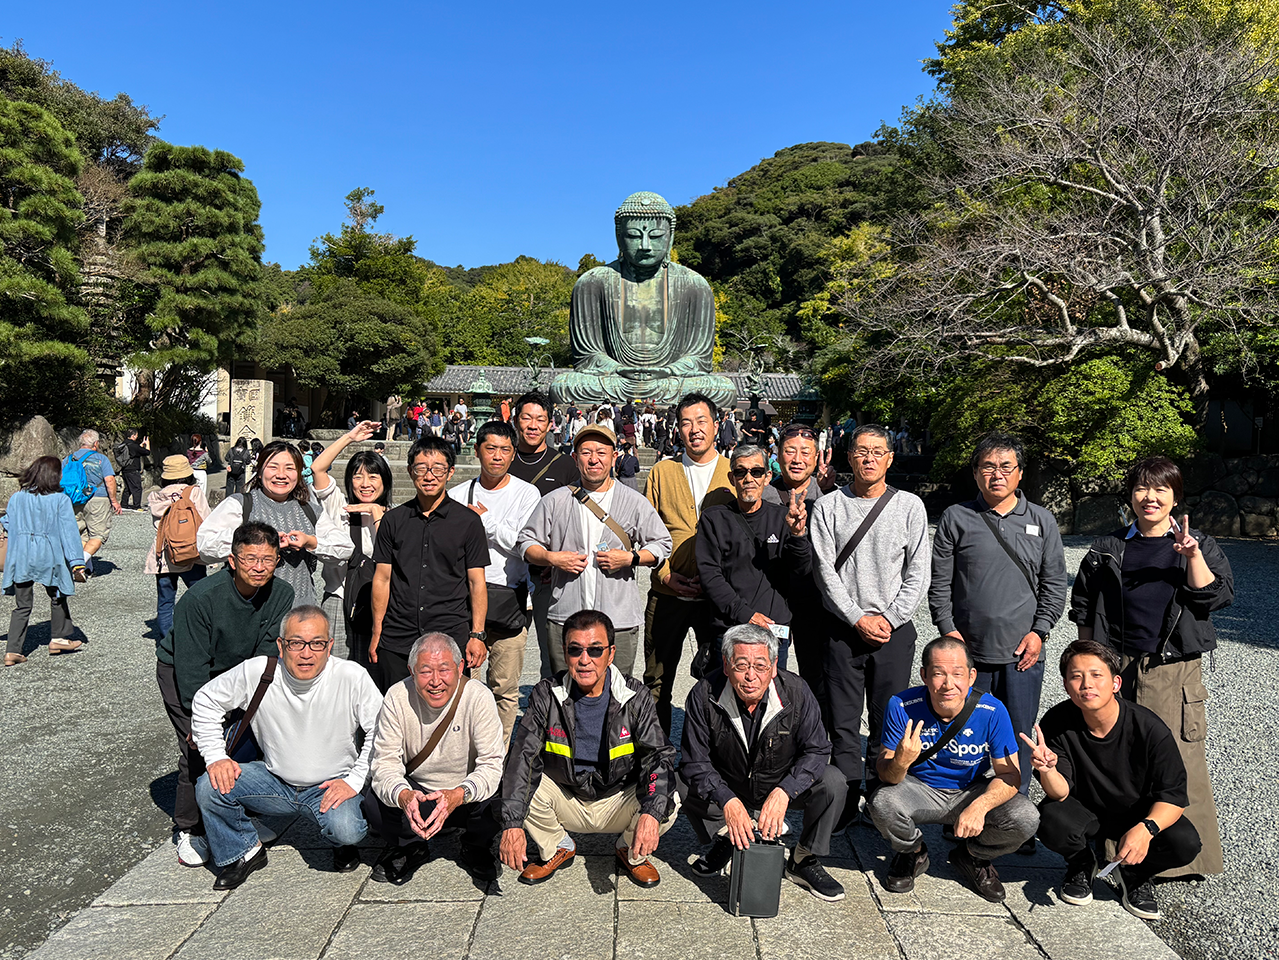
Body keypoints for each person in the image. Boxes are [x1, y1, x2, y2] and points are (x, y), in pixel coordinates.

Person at [1069, 456, 1230, 877]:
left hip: (1172, 667)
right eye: (1142, 488)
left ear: (1176, 497)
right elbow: (1083, 603)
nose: (1150, 497)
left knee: (1175, 756)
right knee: (1116, 754)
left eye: (1161, 489)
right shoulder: (1107, 547)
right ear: (1131, 495)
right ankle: (1111, 850)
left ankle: (1170, 859)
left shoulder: (1199, 544)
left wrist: (1192, 556)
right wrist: (1088, 659)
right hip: (1116, 664)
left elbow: (1215, 597)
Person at [929, 431, 1068, 843]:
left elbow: (1054, 585)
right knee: (964, 732)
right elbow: (940, 584)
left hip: (1022, 652)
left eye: (1006, 466)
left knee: (1018, 734)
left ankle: (1014, 818)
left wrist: (1040, 632)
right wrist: (949, 633)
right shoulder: (957, 517)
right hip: (969, 653)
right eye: (988, 466)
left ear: (1020, 472)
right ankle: (960, 810)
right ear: (975, 472)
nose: (997, 474)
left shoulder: (1041, 520)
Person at [192, 605, 382, 890]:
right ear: (281, 646)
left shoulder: (351, 676)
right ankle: (244, 850)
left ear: (330, 645)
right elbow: (206, 700)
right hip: (274, 780)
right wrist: (216, 756)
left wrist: (354, 781)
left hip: (332, 784)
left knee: (347, 829)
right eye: (296, 643)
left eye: (317, 643)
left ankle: (340, 843)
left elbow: (381, 730)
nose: (307, 653)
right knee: (210, 785)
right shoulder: (259, 671)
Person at [498, 610, 680, 887]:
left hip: (618, 798)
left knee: (668, 796)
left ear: (611, 654)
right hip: (567, 796)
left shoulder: (635, 697)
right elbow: (523, 757)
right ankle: (557, 846)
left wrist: (651, 814)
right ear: (565, 653)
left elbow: (658, 756)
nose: (585, 660)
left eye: (595, 650)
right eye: (575, 650)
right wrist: (511, 824)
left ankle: (629, 850)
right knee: (515, 778)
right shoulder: (546, 694)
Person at [1028, 640, 1202, 920]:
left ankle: (1135, 873)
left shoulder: (1149, 728)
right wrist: (1047, 770)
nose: (1087, 684)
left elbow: (1172, 796)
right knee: (1051, 819)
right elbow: (1060, 793)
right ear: (1066, 686)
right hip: (1085, 810)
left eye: (1096, 675)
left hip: (1136, 813)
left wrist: (1146, 829)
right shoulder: (1057, 722)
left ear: (1116, 683)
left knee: (1185, 842)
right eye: (1076, 676)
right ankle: (1082, 863)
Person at [810, 423, 929, 830]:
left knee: (888, 720)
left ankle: (881, 797)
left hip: (894, 632)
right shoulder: (829, 506)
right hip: (843, 629)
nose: (869, 459)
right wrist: (856, 617)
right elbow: (824, 571)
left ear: (890, 458)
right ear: (850, 456)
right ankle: (844, 800)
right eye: (862, 451)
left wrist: (891, 617)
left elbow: (918, 572)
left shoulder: (910, 506)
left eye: (878, 452)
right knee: (842, 722)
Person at [156, 521, 295, 867]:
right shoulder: (200, 599)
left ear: (277, 560)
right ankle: (189, 827)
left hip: (240, 674)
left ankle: (238, 815)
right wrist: (199, 720)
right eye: (250, 559)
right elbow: (192, 665)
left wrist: (251, 701)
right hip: (186, 671)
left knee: (244, 741)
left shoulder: (282, 593)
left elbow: (267, 653)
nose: (259, 567)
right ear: (232, 560)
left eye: (267, 559)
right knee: (199, 746)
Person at [680, 623, 847, 901]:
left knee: (833, 782)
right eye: (741, 665)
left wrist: (785, 792)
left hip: (779, 780)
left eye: (760, 666)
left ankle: (803, 858)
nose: (751, 676)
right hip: (730, 781)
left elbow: (817, 750)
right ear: (726, 665)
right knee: (681, 782)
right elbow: (695, 761)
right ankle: (728, 835)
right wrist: (727, 801)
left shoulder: (796, 691)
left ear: (773, 666)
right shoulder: (703, 694)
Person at [869, 637, 1039, 903]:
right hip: (920, 788)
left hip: (970, 789)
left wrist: (980, 806)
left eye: (958, 674)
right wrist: (901, 761)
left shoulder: (992, 710)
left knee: (1026, 817)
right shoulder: (902, 705)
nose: (948, 684)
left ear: (972, 676)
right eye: (938, 673)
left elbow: (1010, 775)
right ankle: (913, 852)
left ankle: (973, 856)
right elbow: (885, 775)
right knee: (882, 803)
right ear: (924, 676)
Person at [549, 191, 735, 407]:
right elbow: (587, 357)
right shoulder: (592, 282)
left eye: (655, 236)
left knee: (721, 388)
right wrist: (618, 368)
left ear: (670, 237)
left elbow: (699, 359)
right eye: (634, 236)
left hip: (670, 380)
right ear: (619, 237)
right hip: (616, 379)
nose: (645, 245)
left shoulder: (694, 285)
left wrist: (669, 370)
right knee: (564, 385)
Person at [517, 425, 670, 678]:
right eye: (586, 452)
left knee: (617, 689)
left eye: (601, 452)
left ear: (614, 457)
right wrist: (552, 558)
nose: (594, 459)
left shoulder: (634, 501)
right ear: (575, 458)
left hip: (618, 619)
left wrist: (630, 558)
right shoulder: (556, 500)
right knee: (564, 688)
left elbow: (662, 544)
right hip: (566, 616)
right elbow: (526, 542)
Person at [365, 632, 505, 884]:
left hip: (465, 792)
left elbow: (491, 763)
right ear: (411, 671)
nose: (435, 681)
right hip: (420, 792)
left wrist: (459, 794)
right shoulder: (396, 696)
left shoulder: (478, 696)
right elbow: (384, 762)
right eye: (426, 671)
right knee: (375, 802)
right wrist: (403, 795)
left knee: (501, 795)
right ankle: (412, 847)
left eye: (444, 669)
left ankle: (475, 846)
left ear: (460, 667)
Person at [642, 393, 735, 734]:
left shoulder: (733, 472)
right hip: (667, 593)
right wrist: (665, 575)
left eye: (701, 421)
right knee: (656, 678)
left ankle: (709, 754)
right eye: (686, 423)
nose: (694, 429)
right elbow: (645, 531)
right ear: (677, 429)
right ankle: (656, 754)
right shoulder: (662, 472)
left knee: (721, 680)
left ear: (716, 425)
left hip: (716, 599)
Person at [369, 435, 489, 693]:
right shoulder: (393, 520)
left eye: (438, 469)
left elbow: (476, 581)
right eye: (421, 468)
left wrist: (477, 634)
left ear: (450, 472)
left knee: (448, 707)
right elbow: (382, 578)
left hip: (449, 633)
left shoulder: (468, 522)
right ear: (410, 470)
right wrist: (377, 631)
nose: (429, 476)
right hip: (398, 634)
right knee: (396, 705)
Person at [446, 420, 541, 745]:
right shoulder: (457, 494)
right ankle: (462, 751)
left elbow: (525, 545)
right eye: (490, 449)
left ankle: (497, 758)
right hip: (465, 603)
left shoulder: (527, 494)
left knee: (505, 688)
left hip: (510, 602)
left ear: (513, 454)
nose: (497, 456)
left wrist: (484, 520)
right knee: (463, 683)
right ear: (477, 451)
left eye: (504, 450)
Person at [695, 444, 811, 670]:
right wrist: (745, 614)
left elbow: (802, 570)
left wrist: (798, 535)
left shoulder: (783, 517)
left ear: (767, 477)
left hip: (773, 630)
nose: (748, 478)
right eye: (741, 472)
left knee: (774, 691)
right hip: (730, 629)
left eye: (756, 472)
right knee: (728, 692)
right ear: (732, 478)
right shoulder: (714, 519)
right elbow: (710, 576)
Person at [197, 440, 353, 608]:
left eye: (289, 468)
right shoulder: (240, 504)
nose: (281, 475)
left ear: (299, 473)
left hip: (299, 611)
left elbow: (345, 548)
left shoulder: (311, 511)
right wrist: (259, 542)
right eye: (273, 467)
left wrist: (310, 542)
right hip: (249, 610)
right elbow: (205, 546)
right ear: (259, 472)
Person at [760, 423, 837, 703]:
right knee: (770, 677)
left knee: (817, 679)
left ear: (816, 458)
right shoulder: (763, 496)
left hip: (815, 602)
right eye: (790, 451)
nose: (797, 459)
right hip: (772, 600)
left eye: (805, 452)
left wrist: (828, 492)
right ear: (777, 455)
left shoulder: (830, 499)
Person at [507, 392, 582, 676]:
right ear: (515, 421)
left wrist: (558, 558)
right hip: (506, 572)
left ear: (551, 423)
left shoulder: (564, 465)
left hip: (547, 573)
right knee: (503, 655)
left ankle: (551, 702)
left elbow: (576, 516)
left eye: (540, 419)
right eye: (527, 418)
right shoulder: (503, 460)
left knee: (553, 655)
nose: (533, 425)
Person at [310, 420, 392, 661]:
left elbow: (392, 555)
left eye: (373, 477)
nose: (365, 484)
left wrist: (376, 513)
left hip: (379, 604)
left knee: (374, 670)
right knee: (335, 669)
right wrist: (350, 437)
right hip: (338, 599)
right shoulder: (339, 506)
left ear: (384, 480)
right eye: (358, 477)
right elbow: (318, 469)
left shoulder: (396, 515)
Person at [3, 456, 88, 665]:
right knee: (58, 595)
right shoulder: (60, 500)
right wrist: (77, 562)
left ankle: (12, 650)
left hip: (22, 555)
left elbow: (7, 522)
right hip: (49, 555)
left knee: (22, 605)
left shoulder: (17, 498)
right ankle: (59, 638)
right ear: (54, 476)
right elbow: (69, 533)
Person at [147, 455, 211, 640]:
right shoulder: (193, 492)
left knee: (165, 601)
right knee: (202, 596)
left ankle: (167, 642)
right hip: (191, 553)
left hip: (164, 554)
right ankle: (200, 636)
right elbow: (205, 520)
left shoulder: (156, 496)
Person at [63, 429, 121, 581]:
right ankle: (79, 565)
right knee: (98, 535)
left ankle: (83, 567)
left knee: (81, 534)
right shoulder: (101, 459)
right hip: (98, 499)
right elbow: (109, 480)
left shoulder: (68, 459)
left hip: (74, 500)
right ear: (96, 443)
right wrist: (114, 501)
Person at [115, 428, 148, 511]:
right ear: (133, 436)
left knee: (128, 488)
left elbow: (134, 452)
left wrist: (141, 445)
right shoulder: (133, 445)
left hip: (125, 469)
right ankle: (137, 506)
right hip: (133, 469)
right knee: (137, 488)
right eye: (136, 435)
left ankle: (124, 504)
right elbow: (147, 452)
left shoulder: (123, 444)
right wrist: (147, 444)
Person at [186, 433, 211, 498]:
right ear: (200, 442)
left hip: (191, 471)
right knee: (202, 492)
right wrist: (207, 452)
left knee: (192, 491)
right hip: (201, 472)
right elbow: (209, 462)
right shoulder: (204, 453)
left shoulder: (188, 451)